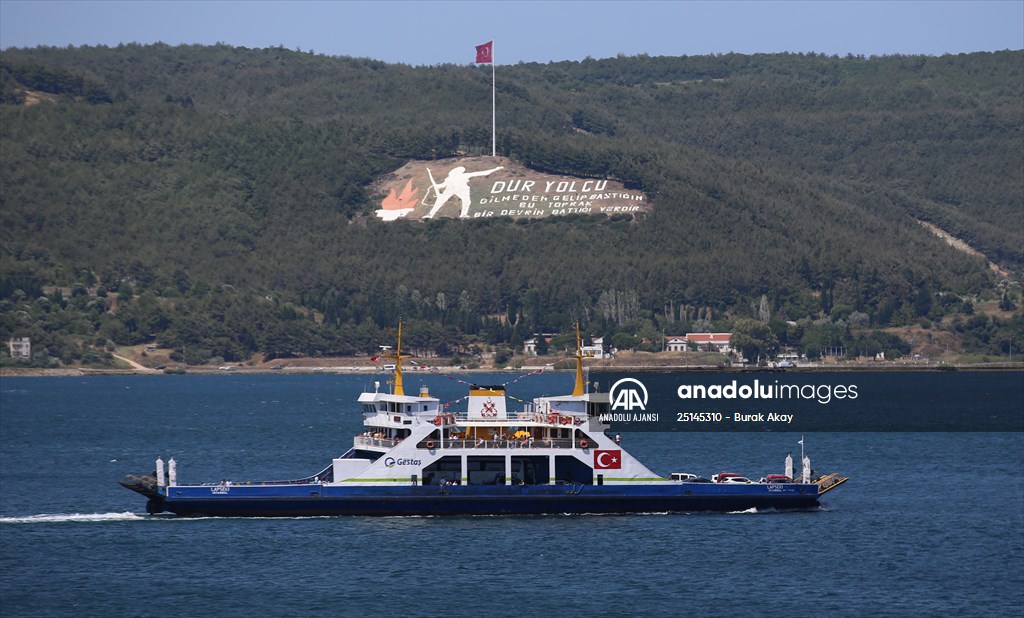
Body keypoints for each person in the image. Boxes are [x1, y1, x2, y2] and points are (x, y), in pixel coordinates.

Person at [422, 165, 503, 218]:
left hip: (461, 190)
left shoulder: (459, 177)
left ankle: (463, 214)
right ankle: (430, 214)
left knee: (467, 201)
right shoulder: (452, 178)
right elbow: (441, 186)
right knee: (440, 201)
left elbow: (482, 173)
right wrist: (436, 184)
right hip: (451, 190)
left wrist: (495, 169)